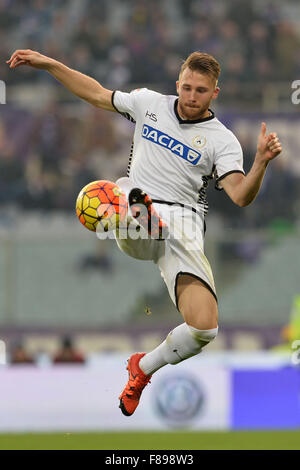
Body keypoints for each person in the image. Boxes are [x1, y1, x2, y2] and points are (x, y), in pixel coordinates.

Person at [7, 49, 282, 416]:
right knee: (128, 199)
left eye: (201, 91)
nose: (191, 96)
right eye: (186, 87)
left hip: (183, 224)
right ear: (177, 84)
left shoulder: (222, 140)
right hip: (135, 204)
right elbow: (95, 93)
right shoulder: (148, 103)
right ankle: (137, 211)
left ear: (214, 93)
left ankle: (143, 368)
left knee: (205, 329)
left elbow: (240, 196)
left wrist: (260, 163)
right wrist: (51, 65)